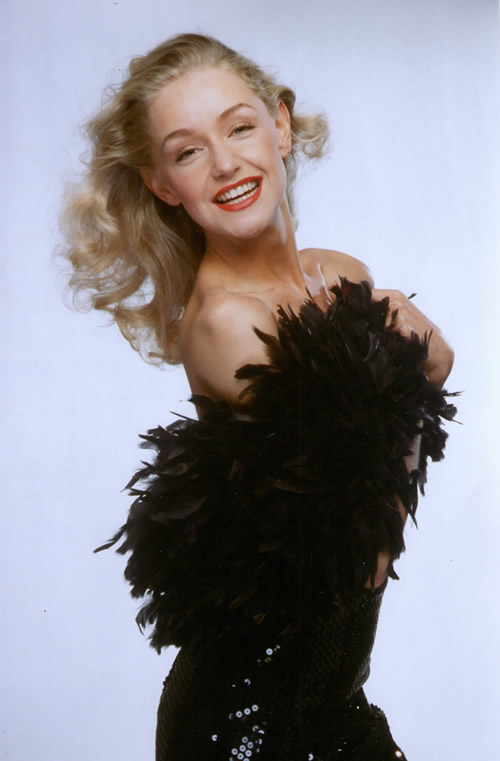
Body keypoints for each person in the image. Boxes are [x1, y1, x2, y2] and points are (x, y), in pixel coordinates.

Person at [62, 33, 456, 760]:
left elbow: (399, 410)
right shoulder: (223, 323)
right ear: (162, 184)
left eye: (239, 127)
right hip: (246, 719)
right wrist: (417, 353)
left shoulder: (338, 272)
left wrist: (411, 363)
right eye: (188, 151)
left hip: (335, 695)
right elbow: (361, 528)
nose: (224, 163)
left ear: (280, 126)